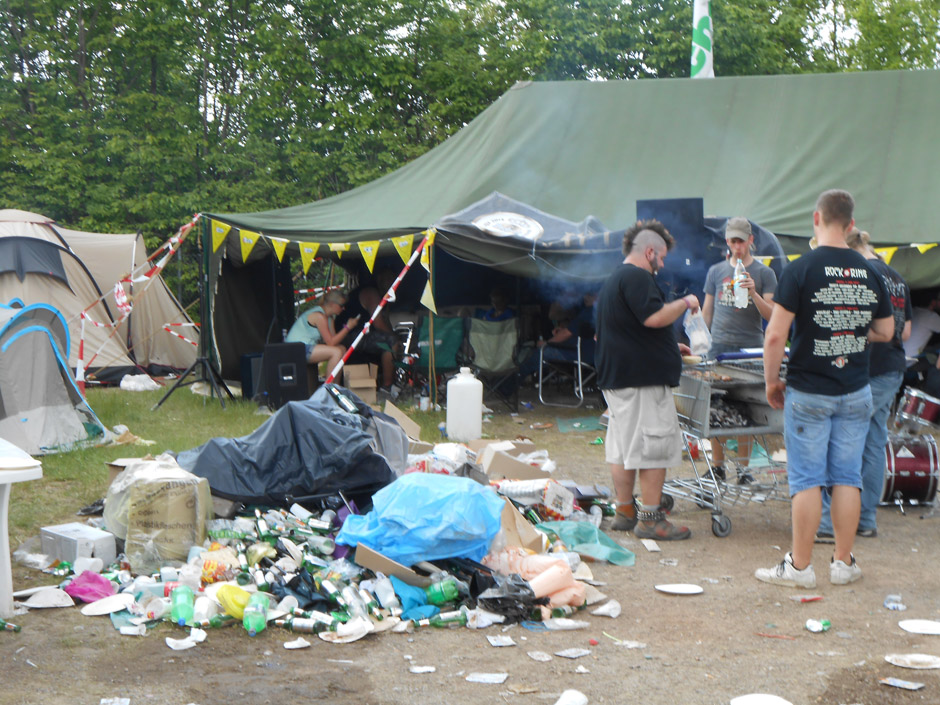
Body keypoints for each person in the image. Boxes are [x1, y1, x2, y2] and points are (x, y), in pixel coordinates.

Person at [757, 190, 893, 588]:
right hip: (855, 390)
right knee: (847, 476)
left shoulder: (801, 268)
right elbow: (886, 330)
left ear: (816, 219)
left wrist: (770, 382)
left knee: (807, 479)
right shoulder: (871, 270)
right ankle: (844, 562)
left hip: (809, 390)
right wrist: (848, 330)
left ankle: (800, 568)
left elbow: (774, 336)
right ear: (851, 225)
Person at [595, 219, 698, 540]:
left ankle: (625, 511)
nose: (662, 264)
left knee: (623, 447)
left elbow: (629, 329)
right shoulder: (638, 277)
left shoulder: (615, 278)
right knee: (654, 445)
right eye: (662, 257)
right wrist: (685, 302)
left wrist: (670, 346)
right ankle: (651, 519)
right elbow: (653, 318)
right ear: (649, 251)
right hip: (641, 382)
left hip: (619, 378)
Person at [815, 228, 911, 542]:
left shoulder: (860, 272)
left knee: (843, 441)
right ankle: (866, 519)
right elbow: (905, 332)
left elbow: (853, 320)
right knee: (873, 444)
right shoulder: (896, 276)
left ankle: (831, 524)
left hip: (867, 368)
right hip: (893, 368)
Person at [701, 217, 777, 478]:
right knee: (715, 408)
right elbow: (707, 312)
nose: (737, 247)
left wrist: (754, 293)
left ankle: (744, 469)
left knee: (749, 408)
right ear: (727, 241)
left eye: (741, 241)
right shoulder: (715, 271)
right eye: (732, 241)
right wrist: (699, 340)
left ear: (751, 241)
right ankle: (718, 468)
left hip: (749, 349)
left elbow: (772, 316)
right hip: (719, 347)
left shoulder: (764, 273)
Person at [335, 269, 402, 394]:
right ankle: (387, 385)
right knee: (391, 341)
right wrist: (395, 336)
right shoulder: (371, 293)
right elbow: (378, 323)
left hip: (351, 333)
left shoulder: (380, 296)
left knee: (387, 338)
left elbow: (383, 320)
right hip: (349, 334)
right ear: (380, 280)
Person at [518, 292, 597, 381]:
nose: (585, 297)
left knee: (539, 353)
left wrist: (547, 343)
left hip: (577, 354)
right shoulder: (601, 312)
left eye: (589, 295)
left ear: (597, 296)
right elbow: (574, 332)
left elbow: (566, 334)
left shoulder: (588, 312)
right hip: (592, 355)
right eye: (585, 294)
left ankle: (513, 382)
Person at [285, 289, 358, 375]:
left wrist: (347, 328)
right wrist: (347, 327)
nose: (343, 308)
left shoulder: (329, 318)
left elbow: (335, 341)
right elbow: (330, 342)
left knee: (341, 349)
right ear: (332, 304)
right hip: (296, 348)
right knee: (336, 352)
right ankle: (328, 386)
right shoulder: (319, 316)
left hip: (306, 347)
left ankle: (336, 385)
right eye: (341, 305)